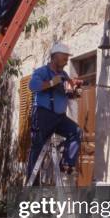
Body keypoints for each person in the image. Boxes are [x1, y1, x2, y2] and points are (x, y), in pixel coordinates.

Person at [26, 43, 83, 183]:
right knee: (37, 148)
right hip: (43, 115)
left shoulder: (64, 75)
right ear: (54, 57)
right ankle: (32, 184)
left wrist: (74, 92)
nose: (67, 61)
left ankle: (66, 163)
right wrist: (52, 82)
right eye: (64, 58)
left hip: (59, 117)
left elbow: (66, 93)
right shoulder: (42, 72)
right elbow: (32, 86)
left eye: (67, 58)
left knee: (76, 132)